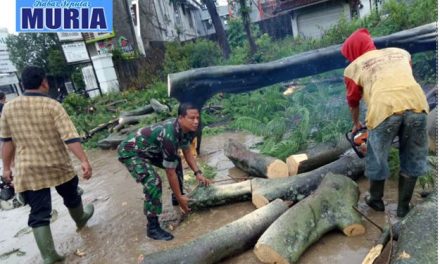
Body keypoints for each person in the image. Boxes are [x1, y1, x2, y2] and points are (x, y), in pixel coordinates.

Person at [0, 66, 94, 263]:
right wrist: (84, 161)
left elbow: (6, 142)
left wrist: (6, 168)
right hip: (58, 164)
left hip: (28, 169)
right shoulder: (52, 105)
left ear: (22, 84)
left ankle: (49, 255)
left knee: (39, 213)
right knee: (71, 195)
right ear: (44, 82)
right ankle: (81, 218)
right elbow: (70, 137)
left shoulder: (8, 108)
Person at [340, 29, 429, 218]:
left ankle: (375, 199)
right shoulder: (401, 53)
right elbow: (402, 78)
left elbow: (353, 101)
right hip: (417, 105)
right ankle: (403, 207)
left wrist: (356, 124)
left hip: (384, 109)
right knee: (412, 157)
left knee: (376, 156)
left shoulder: (354, 67)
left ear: (353, 51)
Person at [118, 102, 211, 241]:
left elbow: (187, 151)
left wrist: (198, 173)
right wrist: (181, 198)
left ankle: (177, 196)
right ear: (181, 118)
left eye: (198, 117)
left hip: (150, 149)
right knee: (153, 181)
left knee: (176, 160)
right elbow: (170, 172)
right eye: (192, 118)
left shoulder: (186, 130)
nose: (196, 121)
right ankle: (153, 227)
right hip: (131, 152)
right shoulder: (170, 136)